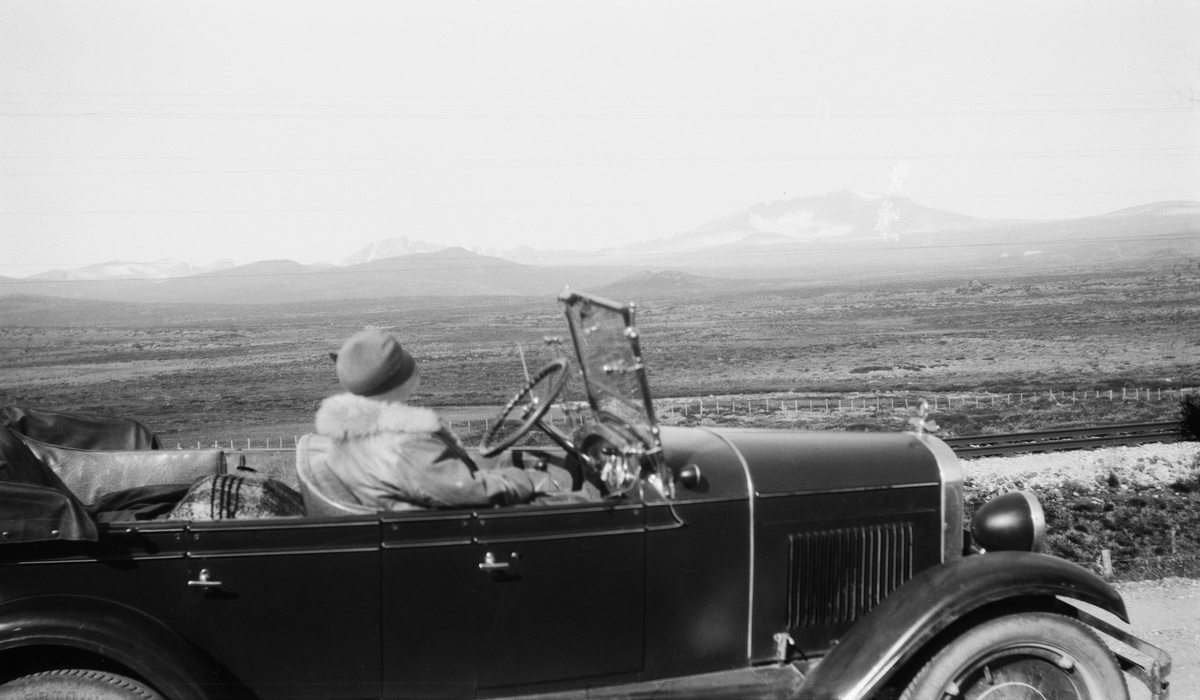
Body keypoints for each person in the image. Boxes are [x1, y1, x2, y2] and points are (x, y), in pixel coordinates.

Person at [302, 328, 570, 510]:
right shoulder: (406, 445)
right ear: (401, 380)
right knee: (578, 501)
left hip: (420, 515)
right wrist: (522, 478)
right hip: (446, 532)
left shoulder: (348, 433)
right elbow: (473, 492)